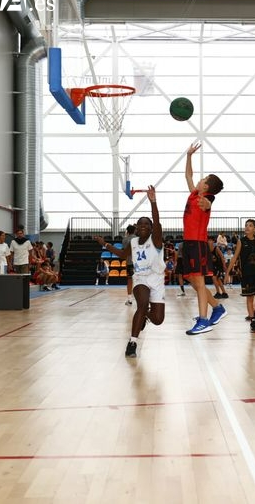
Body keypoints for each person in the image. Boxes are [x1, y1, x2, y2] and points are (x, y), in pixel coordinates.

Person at [96, 186, 166, 358]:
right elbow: (122, 254)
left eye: (146, 224)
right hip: (140, 279)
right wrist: (105, 244)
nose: (143, 226)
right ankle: (132, 342)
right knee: (141, 305)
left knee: (158, 320)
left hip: (156, 280)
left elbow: (157, 221)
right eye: (140, 224)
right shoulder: (133, 243)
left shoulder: (156, 240)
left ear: (151, 228)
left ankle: (145, 316)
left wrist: (153, 202)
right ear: (136, 228)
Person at [180, 141, 226, 336]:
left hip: (198, 244)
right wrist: (189, 155)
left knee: (199, 283)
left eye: (203, 179)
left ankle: (204, 320)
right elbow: (188, 175)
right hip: (188, 244)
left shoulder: (204, 199)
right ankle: (217, 307)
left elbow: (208, 203)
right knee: (190, 279)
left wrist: (208, 201)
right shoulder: (193, 194)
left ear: (206, 186)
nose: (198, 180)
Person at [224, 219, 255, 333]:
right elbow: (235, 257)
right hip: (247, 274)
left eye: (250, 225)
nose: (247, 227)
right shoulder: (241, 241)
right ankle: (253, 322)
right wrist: (227, 273)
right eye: (246, 225)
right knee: (250, 297)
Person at [122, 224, 137, 306]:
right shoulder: (138, 239)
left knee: (130, 280)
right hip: (139, 262)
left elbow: (124, 250)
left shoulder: (125, 239)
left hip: (129, 262)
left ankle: (129, 300)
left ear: (127, 231)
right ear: (135, 230)